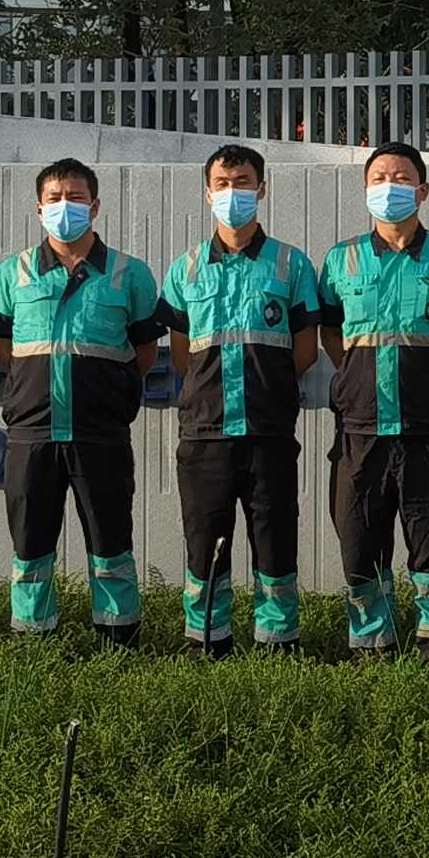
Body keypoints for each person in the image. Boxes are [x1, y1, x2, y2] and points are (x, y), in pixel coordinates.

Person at [0, 157, 167, 647]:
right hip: (32, 431)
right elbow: (5, 350)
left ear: (95, 206)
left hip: (100, 431)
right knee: (30, 542)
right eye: (55, 198)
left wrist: (110, 392)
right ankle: (33, 639)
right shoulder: (13, 272)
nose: (66, 206)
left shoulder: (129, 273)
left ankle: (118, 638)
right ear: (39, 207)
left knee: (110, 540)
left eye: (76, 197)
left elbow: (144, 353)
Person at [319, 142, 429, 655]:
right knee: (360, 547)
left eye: (401, 178)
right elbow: (331, 333)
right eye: (379, 178)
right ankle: (373, 649)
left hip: (428, 433)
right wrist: (357, 376)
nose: (389, 187)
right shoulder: (341, 260)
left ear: (423, 190)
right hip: (359, 433)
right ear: (366, 189)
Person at [163, 143, 327, 654]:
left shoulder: (291, 265)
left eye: (242, 184)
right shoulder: (186, 268)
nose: (232, 193)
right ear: (207, 192)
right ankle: (206, 640)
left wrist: (267, 387)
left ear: (262, 189)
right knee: (203, 541)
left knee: (274, 538)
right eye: (222, 184)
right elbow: (182, 356)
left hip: (269, 430)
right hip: (205, 431)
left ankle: (278, 640)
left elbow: (305, 350)